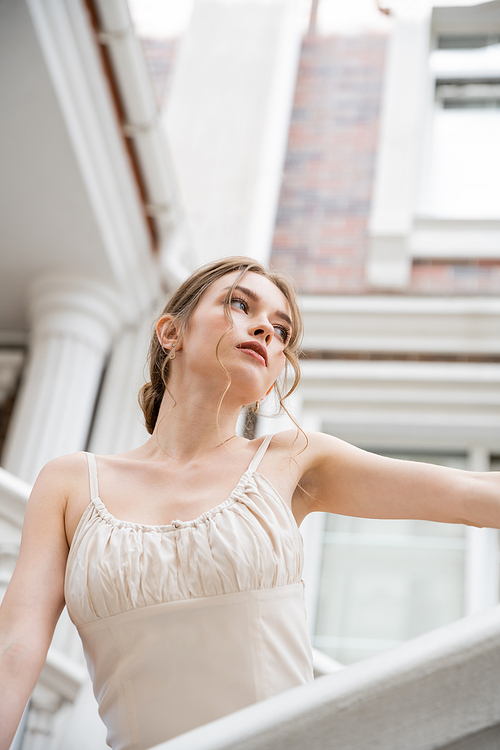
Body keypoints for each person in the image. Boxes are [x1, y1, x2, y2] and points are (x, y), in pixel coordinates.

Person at [0, 256, 499, 750]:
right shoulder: (70, 482)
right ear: (170, 332)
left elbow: (469, 495)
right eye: (240, 305)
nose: (266, 330)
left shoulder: (295, 458)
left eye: (282, 331)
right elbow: (13, 651)